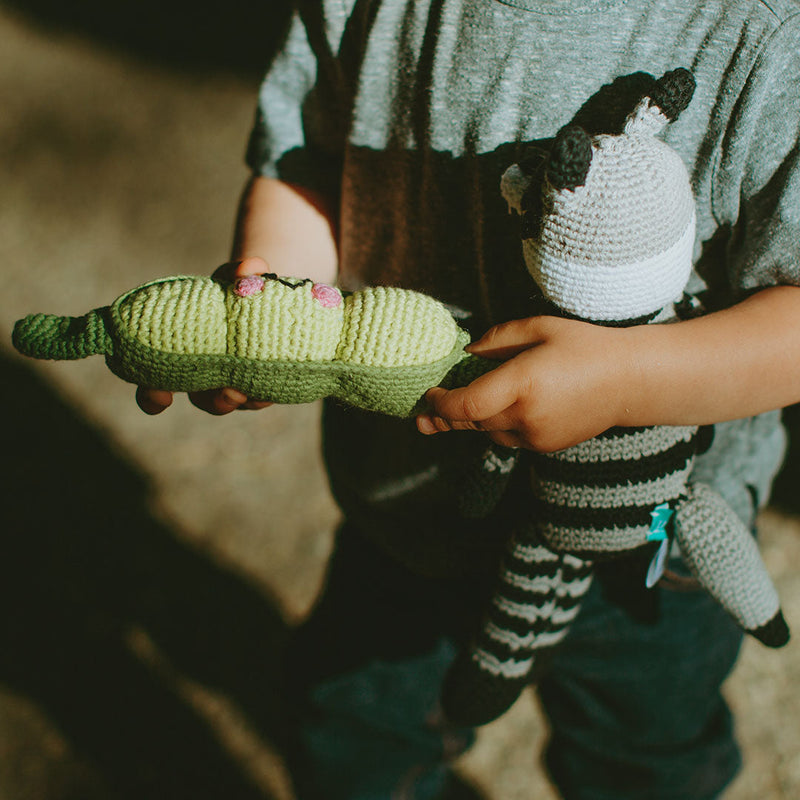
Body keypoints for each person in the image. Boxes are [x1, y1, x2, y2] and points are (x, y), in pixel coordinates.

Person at [137, 1, 800, 798]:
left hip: (650, 544)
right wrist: (272, 302)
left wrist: (627, 379)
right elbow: (308, 167)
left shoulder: (758, 32)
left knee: (645, 759)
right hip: (410, 510)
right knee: (355, 738)